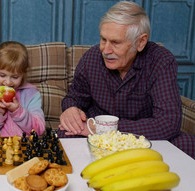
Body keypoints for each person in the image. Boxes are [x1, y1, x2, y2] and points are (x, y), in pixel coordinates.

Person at [58, 1, 195, 159]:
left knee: (188, 143)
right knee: (64, 132)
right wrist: (70, 110)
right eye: (103, 39)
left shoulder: (161, 61)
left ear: (140, 42)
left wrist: (101, 128)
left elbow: (168, 123)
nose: (105, 50)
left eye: (115, 42)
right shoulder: (91, 58)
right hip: (96, 139)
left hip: (142, 137)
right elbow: (74, 98)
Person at [0, 41, 45, 137]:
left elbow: (39, 130)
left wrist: (17, 111)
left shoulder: (32, 94)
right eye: (2, 75)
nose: (8, 82)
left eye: (15, 77)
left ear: (23, 73)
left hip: (23, 148)